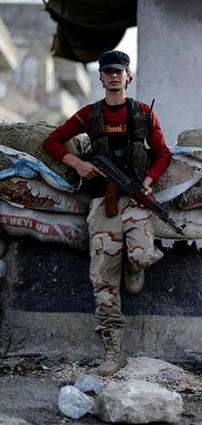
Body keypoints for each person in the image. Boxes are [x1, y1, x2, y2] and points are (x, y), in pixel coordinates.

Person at [43, 50, 171, 376]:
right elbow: (53, 142)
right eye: (108, 71)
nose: (114, 76)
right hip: (103, 203)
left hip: (136, 200)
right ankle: (114, 351)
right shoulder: (89, 114)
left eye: (119, 71)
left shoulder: (143, 114)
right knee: (103, 279)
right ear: (101, 77)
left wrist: (148, 182)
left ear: (129, 76)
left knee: (144, 253)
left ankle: (134, 266)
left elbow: (162, 154)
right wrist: (78, 164)